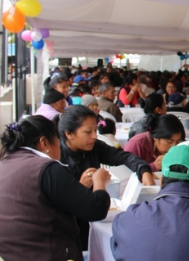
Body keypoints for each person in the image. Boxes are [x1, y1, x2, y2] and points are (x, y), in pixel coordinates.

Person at [0, 116, 110, 261]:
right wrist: (100, 182)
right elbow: (95, 210)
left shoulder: (5, 164)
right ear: (44, 143)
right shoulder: (46, 168)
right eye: (57, 142)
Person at [57, 106, 155, 249]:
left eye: (95, 130)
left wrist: (144, 170)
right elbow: (56, 206)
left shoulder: (94, 147)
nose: (94, 136)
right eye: (87, 132)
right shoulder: (57, 158)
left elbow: (122, 156)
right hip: (70, 230)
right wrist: (80, 187)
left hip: (95, 215)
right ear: (69, 134)